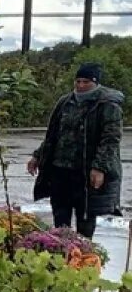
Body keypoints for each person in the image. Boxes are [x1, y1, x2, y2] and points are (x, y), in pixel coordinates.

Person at [28, 63, 124, 239]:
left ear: (95, 83)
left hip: (85, 173)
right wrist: (37, 156)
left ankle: (84, 257)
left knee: (85, 219)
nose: (80, 85)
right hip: (60, 170)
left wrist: (100, 168)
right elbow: (53, 135)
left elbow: (110, 140)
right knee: (60, 218)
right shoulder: (65, 102)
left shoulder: (108, 105)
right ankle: (62, 252)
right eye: (77, 81)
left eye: (85, 82)